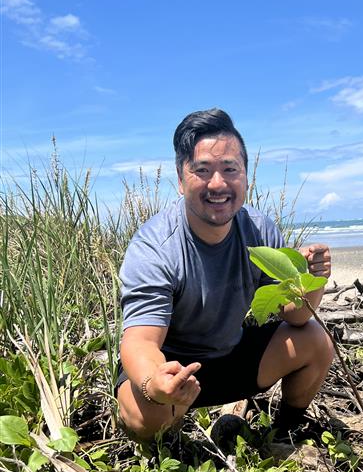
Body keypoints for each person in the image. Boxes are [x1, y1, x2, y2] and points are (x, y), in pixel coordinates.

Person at [117, 108, 333, 441]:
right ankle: (169, 447)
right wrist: (155, 383)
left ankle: (283, 435)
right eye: (202, 170)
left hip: (231, 357)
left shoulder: (260, 230)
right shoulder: (155, 246)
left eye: (230, 169)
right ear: (180, 178)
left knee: (317, 340)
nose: (218, 183)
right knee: (144, 418)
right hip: (174, 369)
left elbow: (297, 316)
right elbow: (140, 341)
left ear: (246, 175)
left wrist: (310, 281)